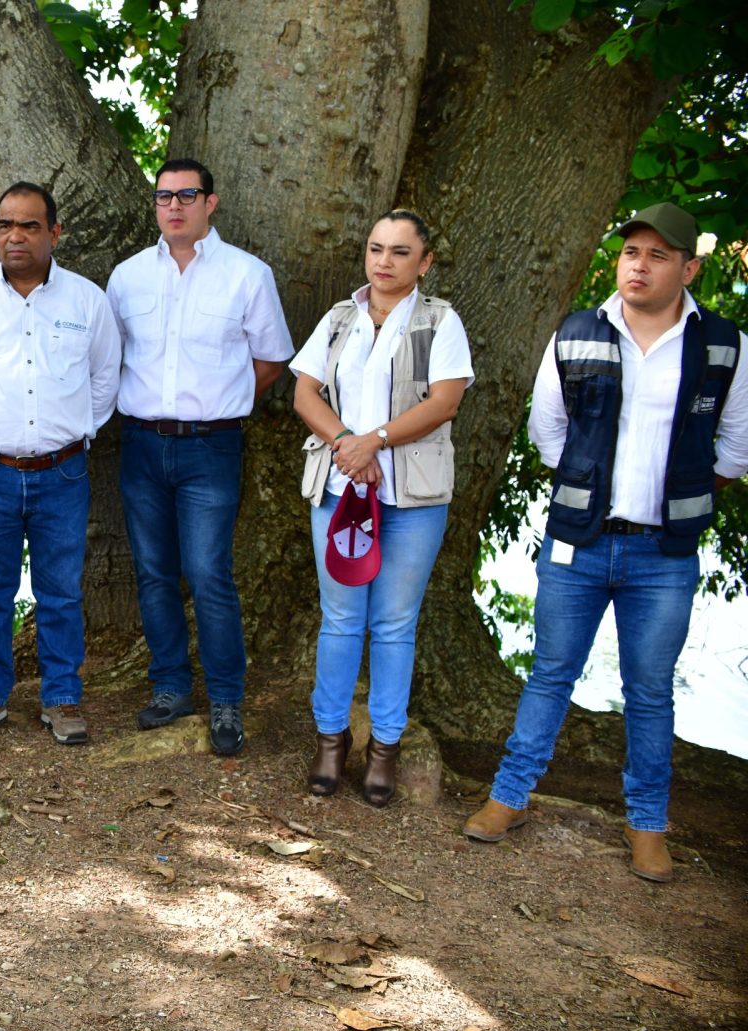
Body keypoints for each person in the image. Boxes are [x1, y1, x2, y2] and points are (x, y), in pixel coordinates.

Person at [464, 202, 747, 881]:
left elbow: (736, 444)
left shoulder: (724, 345)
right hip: (579, 542)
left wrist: (677, 493)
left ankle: (648, 825)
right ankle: (509, 796)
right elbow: (547, 431)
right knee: (552, 673)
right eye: (630, 253)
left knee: (650, 690)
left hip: (665, 554)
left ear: (690, 268)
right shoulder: (579, 332)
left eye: (656, 255)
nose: (639, 265)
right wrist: (592, 487)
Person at [106, 160, 294, 755]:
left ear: (210, 203)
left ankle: (227, 699)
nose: (174, 206)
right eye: (164, 197)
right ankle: (170, 689)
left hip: (212, 447)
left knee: (210, 573)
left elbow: (270, 360)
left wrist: (223, 404)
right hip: (139, 443)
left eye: (187, 195)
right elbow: (106, 358)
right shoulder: (127, 278)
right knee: (154, 572)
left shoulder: (246, 275)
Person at [289, 210, 473, 806]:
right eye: (375, 249)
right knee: (341, 619)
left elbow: (446, 402)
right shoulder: (341, 318)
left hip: (411, 500)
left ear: (424, 263)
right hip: (341, 493)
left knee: (394, 624)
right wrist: (349, 443)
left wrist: (378, 441)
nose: (384, 262)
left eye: (399, 252)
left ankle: (385, 748)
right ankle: (329, 741)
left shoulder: (440, 321)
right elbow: (304, 391)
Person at [0, 181, 120, 745]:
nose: (15, 236)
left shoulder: (87, 301)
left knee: (60, 591)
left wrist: (64, 436)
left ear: (54, 233)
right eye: (5, 225)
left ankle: (62, 698)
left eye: (30, 225)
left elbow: (104, 382)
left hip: (62, 475)